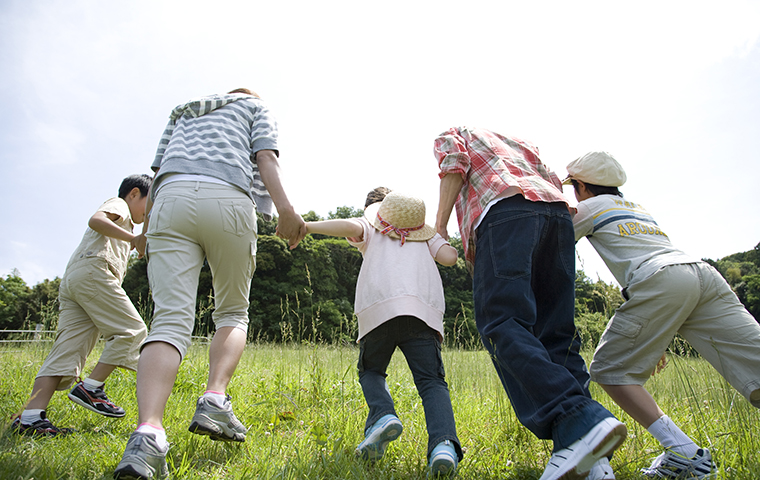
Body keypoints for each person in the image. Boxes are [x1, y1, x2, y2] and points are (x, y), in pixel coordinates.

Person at [114, 88, 305, 480]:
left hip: (169, 201)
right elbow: (265, 157)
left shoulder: (183, 110)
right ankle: (215, 397)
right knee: (233, 311)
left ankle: (148, 433)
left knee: (168, 321)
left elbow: (157, 173)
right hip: (228, 198)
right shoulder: (256, 106)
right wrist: (286, 210)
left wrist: (147, 231)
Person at [433, 127, 627, 480]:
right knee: (557, 335)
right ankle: (585, 457)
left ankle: (579, 417)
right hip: (556, 217)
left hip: (504, 212)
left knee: (502, 322)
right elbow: (553, 180)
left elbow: (454, 165)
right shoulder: (524, 145)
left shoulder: (454, 132)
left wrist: (440, 227)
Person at [564, 151, 760, 479]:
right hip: (702, 275)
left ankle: (684, 452)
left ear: (581, 185)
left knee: (611, 370)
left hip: (662, 281)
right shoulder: (638, 209)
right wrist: (658, 335)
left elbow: (555, 244)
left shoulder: (588, 207)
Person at [305, 188, 463, 477]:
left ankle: (383, 416)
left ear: (374, 211)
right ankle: (443, 446)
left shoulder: (371, 226)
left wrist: (306, 227)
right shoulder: (425, 235)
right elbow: (450, 258)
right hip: (422, 314)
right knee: (431, 383)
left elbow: (348, 226)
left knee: (372, 372)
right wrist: (441, 235)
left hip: (379, 310)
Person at [12, 174, 152, 436]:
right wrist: (131, 238)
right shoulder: (120, 205)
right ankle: (92, 387)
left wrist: (134, 239)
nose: (149, 210)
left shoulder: (129, 226)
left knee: (68, 350)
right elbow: (96, 220)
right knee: (132, 330)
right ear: (134, 194)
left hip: (77, 281)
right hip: (93, 272)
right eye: (149, 201)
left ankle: (30, 418)